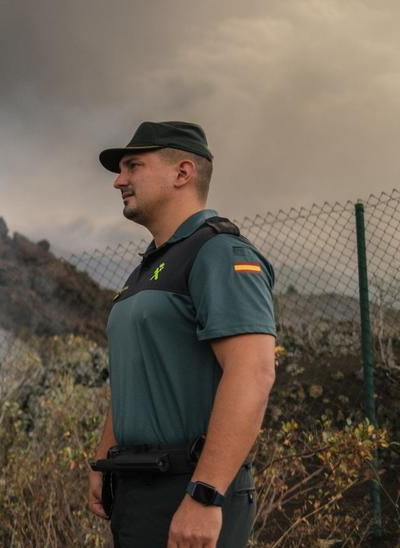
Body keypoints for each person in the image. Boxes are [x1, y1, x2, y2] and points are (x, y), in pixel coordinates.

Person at [86, 121, 278, 547]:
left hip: (187, 489)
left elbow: (253, 373)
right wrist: (105, 460)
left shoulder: (218, 253)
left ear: (182, 172)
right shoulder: (148, 267)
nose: (120, 180)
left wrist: (205, 496)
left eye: (133, 165)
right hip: (137, 486)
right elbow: (139, 370)